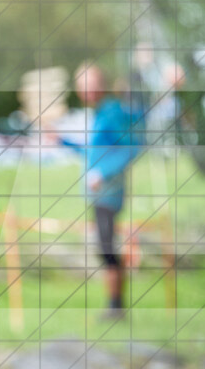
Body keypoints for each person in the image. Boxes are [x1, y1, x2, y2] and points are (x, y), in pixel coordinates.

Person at [52, 62, 143, 320]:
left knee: (106, 248)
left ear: (101, 85)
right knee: (104, 247)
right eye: (82, 87)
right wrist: (62, 141)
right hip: (98, 194)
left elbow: (132, 147)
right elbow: (92, 152)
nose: (86, 92)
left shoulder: (112, 111)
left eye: (90, 86)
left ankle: (116, 307)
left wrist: (102, 173)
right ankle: (114, 306)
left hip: (109, 192)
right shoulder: (98, 113)